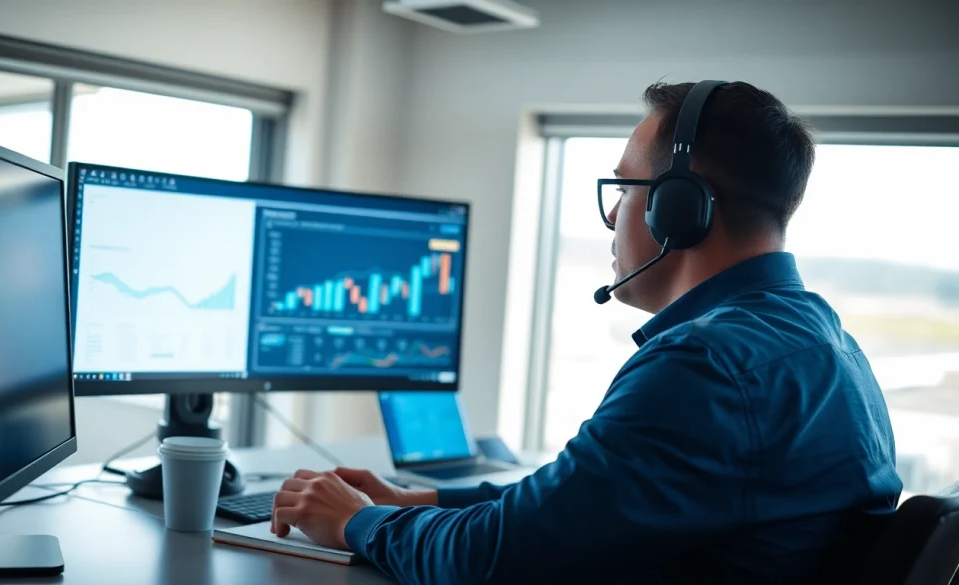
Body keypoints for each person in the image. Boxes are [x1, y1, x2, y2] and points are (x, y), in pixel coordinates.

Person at [270, 81, 903, 585]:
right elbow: (580, 503)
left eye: (623, 191)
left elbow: (494, 562)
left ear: (679, 208)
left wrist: (359, 522)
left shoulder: (704, 366)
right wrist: (421, 499)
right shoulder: (824, 341)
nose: (610, 220)